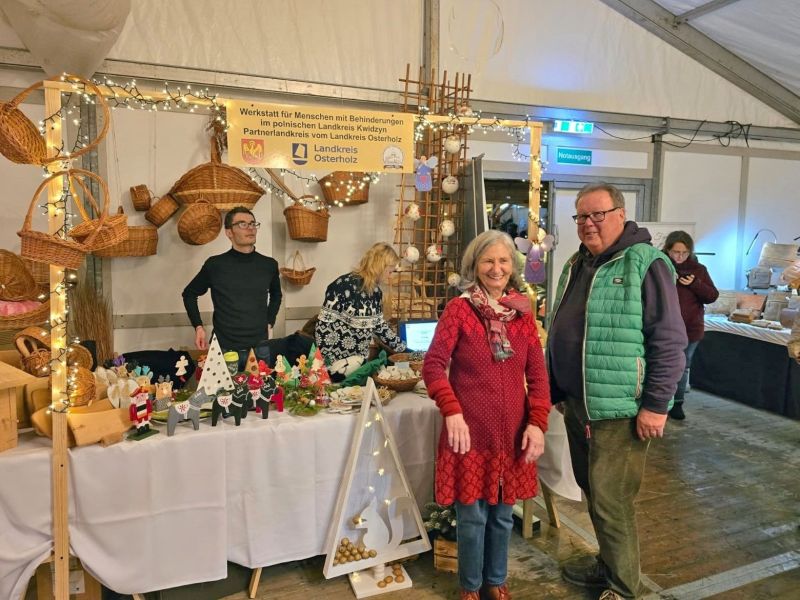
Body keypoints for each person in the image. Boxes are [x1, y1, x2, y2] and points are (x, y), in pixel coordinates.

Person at [547, 183, 687, 600]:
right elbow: (562, 326)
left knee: (613, 503)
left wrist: (657, 406)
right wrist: (557, 385)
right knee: (594, 494)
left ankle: (624, 589)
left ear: (620, 214)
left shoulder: (647, 263)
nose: (588, 224)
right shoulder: (577, 263)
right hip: (578, 403)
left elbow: (668, 339)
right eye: (581, 217)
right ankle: (608, 565)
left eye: (597, 215)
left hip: (620, 409)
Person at [422, 230, 551, 600]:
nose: (496, 268)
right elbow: (432, 366)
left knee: (501, 516)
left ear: (513, 267)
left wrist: (537, 423)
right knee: (472, 518)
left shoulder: (522, 313)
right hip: (469, 433)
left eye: (504, 261)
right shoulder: (459, 310)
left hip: (513, 435)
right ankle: (470, 586)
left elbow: (538, 376)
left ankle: (496, 581)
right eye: (488, 261)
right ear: (474, 266)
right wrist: (452, 411)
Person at [182, 206, 282, 370]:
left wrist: (270, 321)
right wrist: (198, 326)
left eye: (253, 223)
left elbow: (277, 295)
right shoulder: (215, 265)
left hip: (260, 348)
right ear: (229, 232)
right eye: (242, 224)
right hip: (224, 347)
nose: (250, 228)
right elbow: (189, 294)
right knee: (222, 395)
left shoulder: (269, 265)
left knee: (262, 394)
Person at [315, 242, 406, 379]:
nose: (390, 276)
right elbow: (322, 329)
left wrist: (405, 350)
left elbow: (381, 328)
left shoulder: (376, 292)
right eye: (390, 270)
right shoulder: (342, 286)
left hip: (359, 365)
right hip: (336, 368)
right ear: (380, 266)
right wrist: (330, 366)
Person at [663, 230, 719, 420]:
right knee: (660, 365)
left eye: (684, 253)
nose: (679, 257)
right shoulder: (660, 266)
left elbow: (712, 296)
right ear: (667, 250)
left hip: (690, 329)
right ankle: (658, 404)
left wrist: (695, 284)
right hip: (662, 328)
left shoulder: (698, 269)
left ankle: (677, 404)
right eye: (675, 252)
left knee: (683, 366)